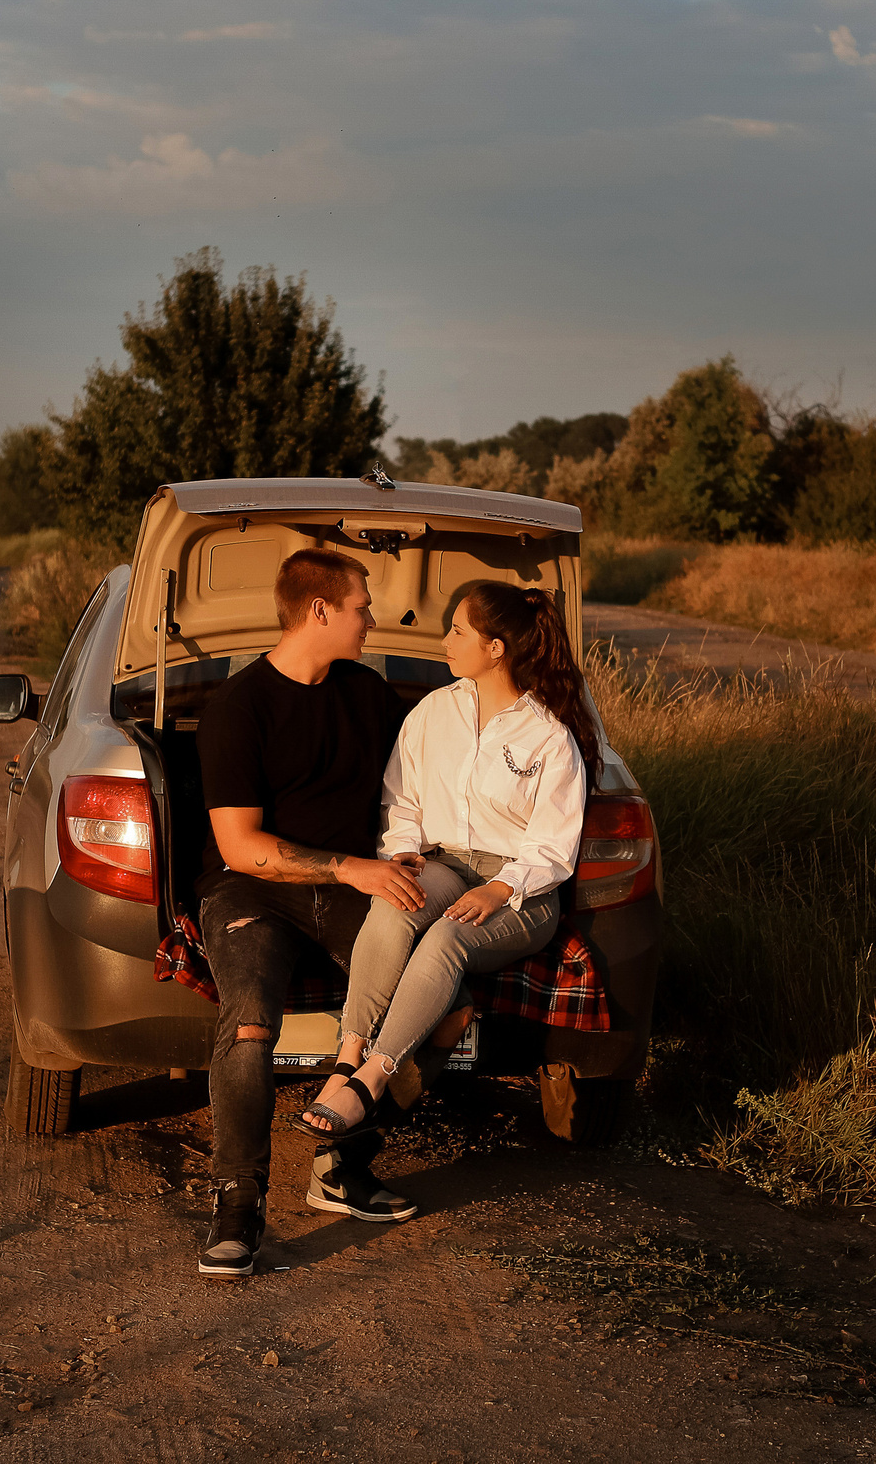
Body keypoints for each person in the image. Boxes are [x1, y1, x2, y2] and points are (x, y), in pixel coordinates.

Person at [194, 546, 426, 1279]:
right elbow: (240, 844)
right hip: (252, 889)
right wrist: (354, 867)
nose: (373, 618)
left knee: (424, 1001)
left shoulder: (366, 693)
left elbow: (434, 766)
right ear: (320, 610)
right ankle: (238, 1206)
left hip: (353, 889)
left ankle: (341, 1165)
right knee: (252, 1018)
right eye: (363, 605)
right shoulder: (239, 705)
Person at [299, 581, 596, 1141]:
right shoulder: (434, 712)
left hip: (522, 889)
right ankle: (347, 1057)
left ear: (496, 649)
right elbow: (400, 797)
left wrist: (498, 890)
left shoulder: (548, 736)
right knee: (393, 902)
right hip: (443, 863)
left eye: (458, 631)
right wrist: (402, 852)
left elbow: (553, 848)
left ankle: (374, 1078)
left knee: (447, 937)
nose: (444, 641)